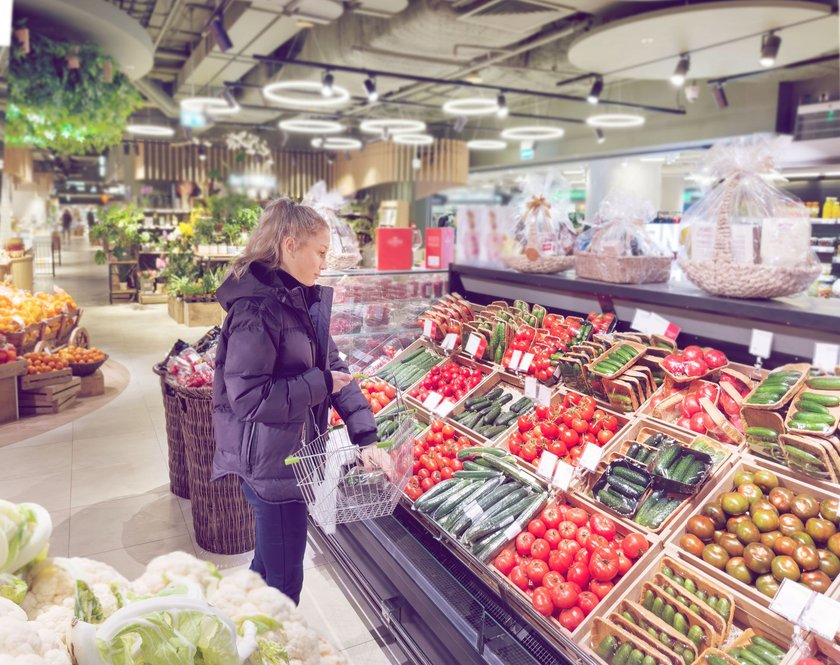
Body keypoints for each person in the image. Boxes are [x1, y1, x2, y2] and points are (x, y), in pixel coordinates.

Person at [212, 197, 377, 605]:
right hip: (273, 469)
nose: (324, 263)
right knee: (284, 587)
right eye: (319, 252)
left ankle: (240, 635)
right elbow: (249, 398)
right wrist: (318, 384)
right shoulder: (257, 310)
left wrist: (366, 435)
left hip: (288, 458)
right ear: (289, 245)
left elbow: (332, 366)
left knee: (267, 569)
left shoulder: (299, 299)